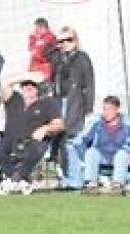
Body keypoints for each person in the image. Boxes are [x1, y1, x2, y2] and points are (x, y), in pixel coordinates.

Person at [0, 71, 64, 196]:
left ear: (38, 88)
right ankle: (19, 179)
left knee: (40, 147)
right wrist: (29, 76)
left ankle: (13, 180)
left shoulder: (47, 103)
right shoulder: (13, 99)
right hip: (10, 141)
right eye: (25, 84)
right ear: (21, 87)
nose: (29, 87)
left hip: (32, 142)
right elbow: (4, 82)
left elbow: (59, 125)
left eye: (32, 85)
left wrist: (45, 128)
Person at [64, 95, 130, 195]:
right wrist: (78, 149)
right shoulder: (97, 122)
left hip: (122, 155)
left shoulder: (127, 124)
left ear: (117, 110)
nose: (106, 112)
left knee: (122, 154)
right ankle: (91, 184)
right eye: (104, 109)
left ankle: (118, 185)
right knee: (91, 152)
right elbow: (82, 138)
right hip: (102, 154)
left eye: (109, 109)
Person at [53, 27, 94, 176]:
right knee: (61, 139)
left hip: (75, 102)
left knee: (73, 138)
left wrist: (89, 108)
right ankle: (66, 175)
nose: (65, 43)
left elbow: (89, 84)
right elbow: (45, 54)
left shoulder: (82, 58)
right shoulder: (58, 58)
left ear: (75, 41)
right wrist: (55, 46)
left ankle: (76, 176)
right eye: (61, 41)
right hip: (59, 101)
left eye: (69, 40)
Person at [28, 18, 57, 84]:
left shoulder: (51, 39)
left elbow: (48, 56)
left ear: (44, 28)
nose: (36, 30)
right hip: (34, 69)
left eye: (38, 28)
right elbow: (30, 48)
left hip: (44, 71)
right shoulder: (36, 38)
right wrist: (33, 39)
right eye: (36, 28)